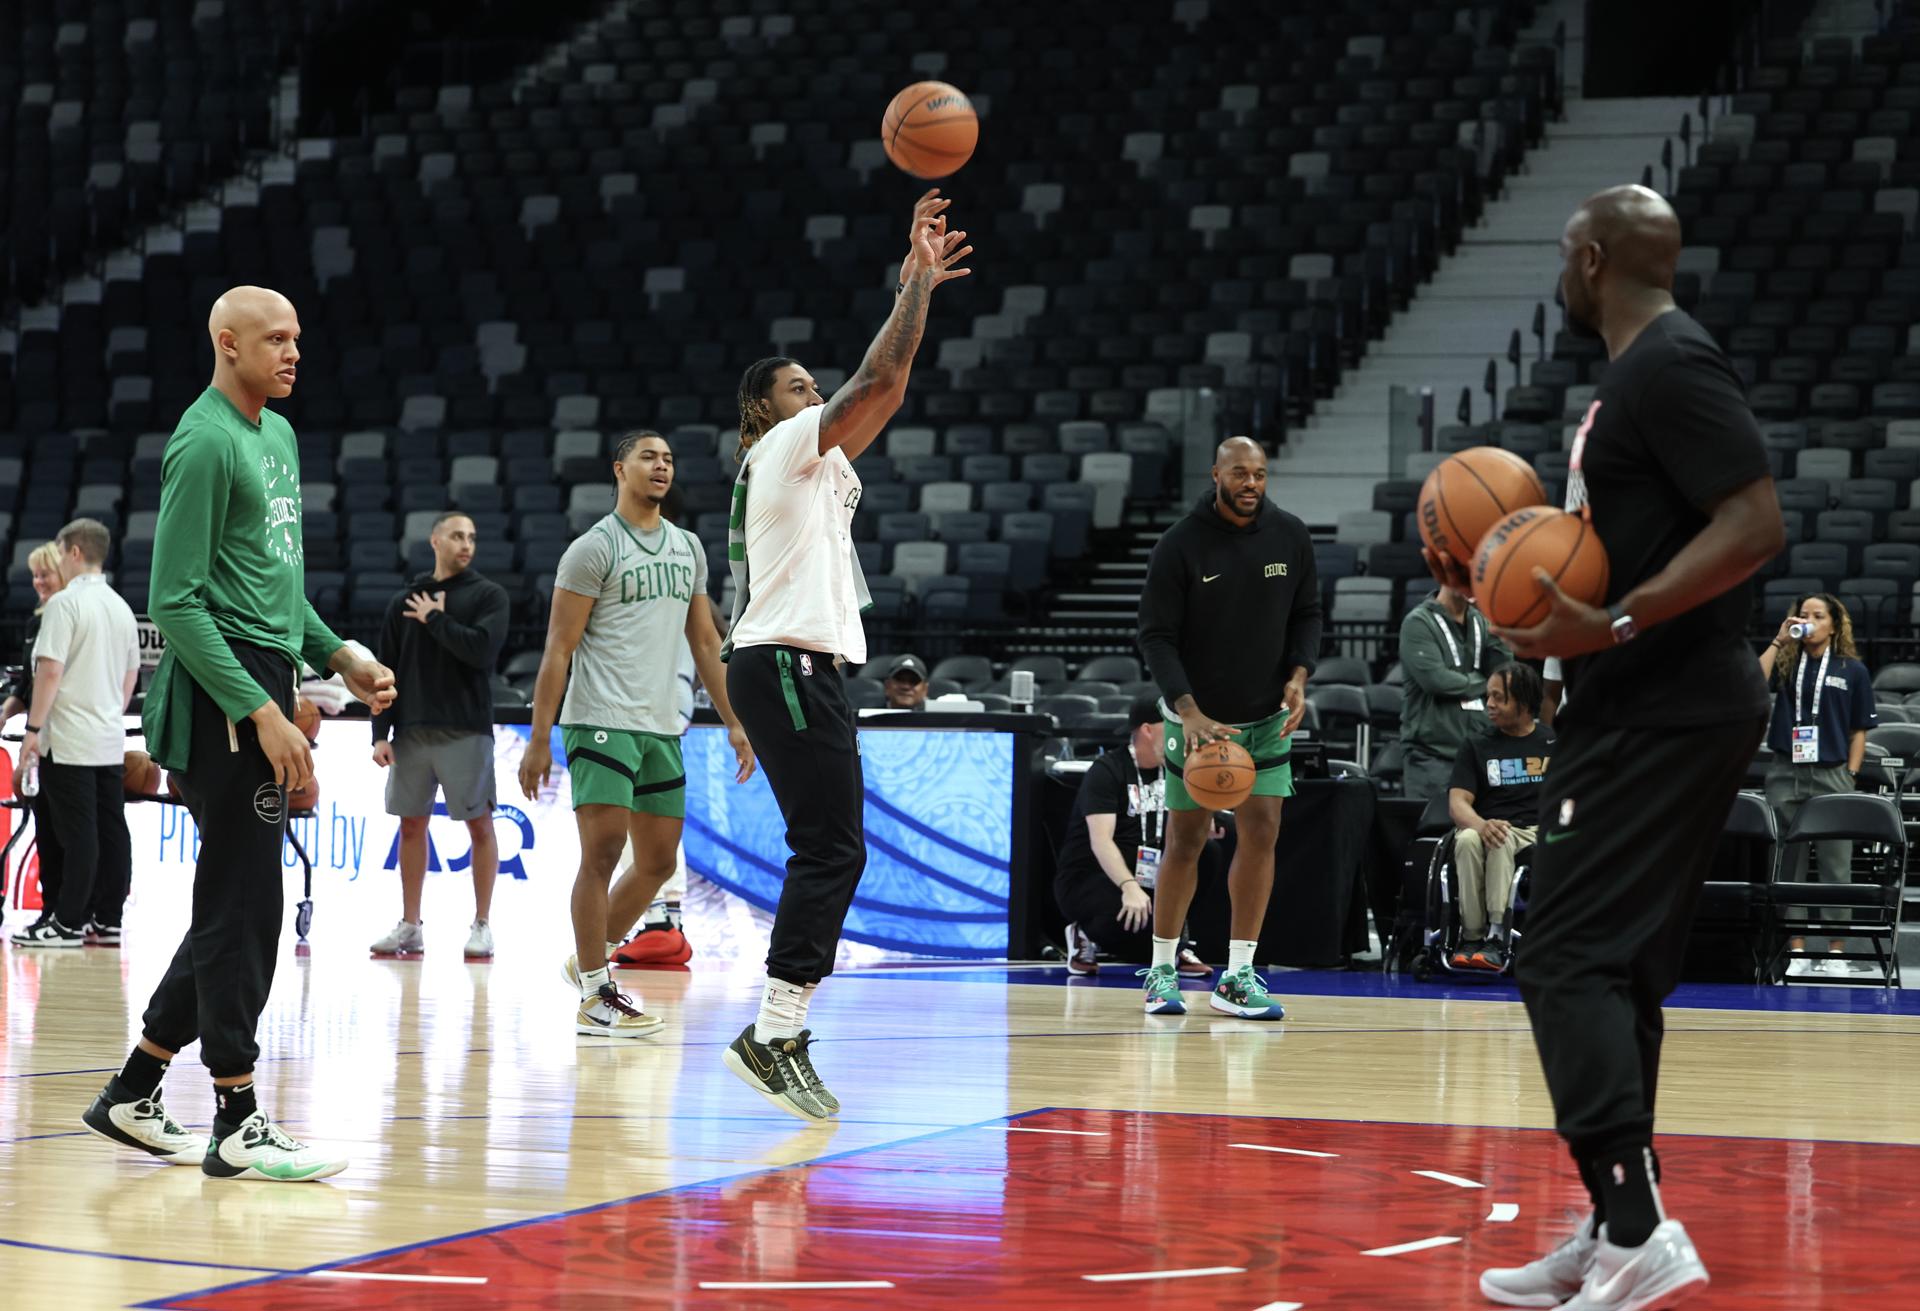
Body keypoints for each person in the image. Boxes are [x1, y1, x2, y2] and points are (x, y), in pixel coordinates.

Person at [1436, 187, 1782, 1309]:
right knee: (1618, 966)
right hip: (1638, 702)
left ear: (1589, 259)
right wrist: (1494, 577)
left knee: (1563, 954)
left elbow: (1756, 522)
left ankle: (1637, 1227)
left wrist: (1619, 622)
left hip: (1665, 703)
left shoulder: (1671, 363)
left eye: (1560, 254)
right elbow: (1608, 552)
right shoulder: (1634, 377)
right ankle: (1614, 1221)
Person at [80, 286, 396, 1182]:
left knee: (236, 902)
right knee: (244, 907)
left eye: (298, 337)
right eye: (276, 338)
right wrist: (260, 710)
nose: (295, 351)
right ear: (227, 343)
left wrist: (338, 653)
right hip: (222, 695)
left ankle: (136, 1091)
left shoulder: (279, 435)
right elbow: (175, 603)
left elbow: (274, 586)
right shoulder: (205, 440)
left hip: (264, 678)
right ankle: (236, 1116)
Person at [720, 189, 971, 1120]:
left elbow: (876, 392)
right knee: (829, 848)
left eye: (812, 388)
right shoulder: (783, 447)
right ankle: (773, 1030)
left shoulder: (814, 462)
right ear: (764, 409)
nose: (814, 396)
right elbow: (880, 382)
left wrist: (912, 295)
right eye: (797, 386)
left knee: (834, 848)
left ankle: (779, 1026)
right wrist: (915, 285)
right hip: (784, 658)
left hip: (801, 663)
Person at [518, 431, 755, 1039]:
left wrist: (734, 721)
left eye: (669, 459)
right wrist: (539, 737)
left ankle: (588, 959)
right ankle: (597, 994)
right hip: (599, 720)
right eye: (648, 457)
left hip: (660, 726)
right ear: (619, 468)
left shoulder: (687, 548)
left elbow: (705, 641)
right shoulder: (591, 549)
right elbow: (558, 648)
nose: (661, 466)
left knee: (655, 863)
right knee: (600, 856)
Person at [1136, 434, 1321, 1021]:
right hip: (1196, 720)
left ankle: (1238, 975)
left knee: (1261, 835)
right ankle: (1163, 967)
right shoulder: (1180, 545)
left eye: (1260, 474)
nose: (1251, 484)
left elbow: (1308, 613)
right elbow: (1156, 636)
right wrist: (1187, 710)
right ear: (1216, 473)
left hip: (1267, 718)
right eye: (1240, 473)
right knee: (1186, 840)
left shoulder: (1290, 535)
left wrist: (1299, 676)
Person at [368, 510, 511, 960]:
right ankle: (411, 926)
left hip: (466, 729)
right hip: (410, 731)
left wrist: (435, 620)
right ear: (435, 541)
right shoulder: (403, 602)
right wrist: (379, 734)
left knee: (480, 825)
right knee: (411, 826)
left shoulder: (488, 595)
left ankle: (482, 925)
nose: (466, 543)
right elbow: (383, 673)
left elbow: (482, 652)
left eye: (471, 536)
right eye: (456, 536)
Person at [9, 520, 139, 948]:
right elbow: (131, 676)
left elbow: (49, 672)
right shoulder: (121, 607)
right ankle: (108, 919)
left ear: (76, 553)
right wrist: (108, 714)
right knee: (111, 830)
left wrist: (32, 731)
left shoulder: (66, 605)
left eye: (62, 552)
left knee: (76, 835)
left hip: (68, 738)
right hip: (107, 735)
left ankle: (67, 923)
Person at [1053, 696, 1214, 978]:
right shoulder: (1107, 770)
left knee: (1208, 852)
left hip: (1150, 873)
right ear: (1148, 730)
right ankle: (1085, 934)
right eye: (1172, 726)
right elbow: (1101, 840)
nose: (1180, 733)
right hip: (1093, 877)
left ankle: (1175, 941)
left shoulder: (1175, 769)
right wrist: (1128, 886)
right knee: (1121, 912)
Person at [1758, 593, 1876, 977]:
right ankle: (1795, 951)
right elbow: (1752, 682)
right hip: (1785, 771)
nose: (1807, 619)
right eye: (1802, 614)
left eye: (1817, 615)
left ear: (1834, 624)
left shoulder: (1852, 669)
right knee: (1787, 865)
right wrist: (1779, 641)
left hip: (1832, 773)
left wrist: (1851, 774)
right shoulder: (1787, 661)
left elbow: (1859, 730)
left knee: (1835, 865)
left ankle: (1837, 953)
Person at [1444, 662, 1554, 972]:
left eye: (1498, 697)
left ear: (1523, 702)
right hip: (1488, 825)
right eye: (1488, 696)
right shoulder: (1477, 745)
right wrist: (1480, 824)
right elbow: (1457, 803)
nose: (1489, 704)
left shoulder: (1552, 744)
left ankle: (1496, 936)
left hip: (1534, 830)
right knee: (1466, 839)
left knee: (1500, 839)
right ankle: (1471, 936)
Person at [4, 542, 70, 933]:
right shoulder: (35, 623)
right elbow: (28, 685)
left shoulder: (66, 619)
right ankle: (50, 908)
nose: (38, 582)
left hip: (63, 737)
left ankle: (68, 912)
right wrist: (7, 711)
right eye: (35, 574)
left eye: (45, 573)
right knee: (44, 823)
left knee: (63, 829)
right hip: (39, 742)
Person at [1399, 583, 1510, 800]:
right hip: (1434, 757)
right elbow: (1437, 681)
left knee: (1483, 833)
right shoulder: (1419, 622)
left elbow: (1504, 675)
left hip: (1482, 756)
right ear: (1443, 576)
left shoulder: (1482, 620)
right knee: (1434, 832)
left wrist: (1495, 620)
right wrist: (1485, 682)